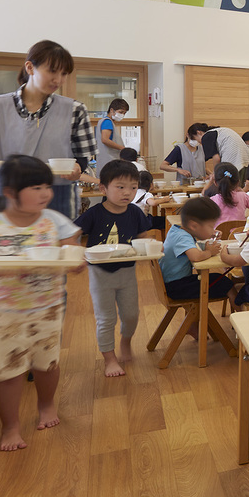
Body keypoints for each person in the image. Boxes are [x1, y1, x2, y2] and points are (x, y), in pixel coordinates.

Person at [0, 155, 85, 451]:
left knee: (47, 365)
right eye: (36, 188)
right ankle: (10, 426)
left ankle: (46, 405)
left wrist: (76, 262)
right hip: (2, 313)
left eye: (47, 187)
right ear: (9, 192)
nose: (45, 193)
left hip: (47, 307)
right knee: (8, 373)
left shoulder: (54, 221)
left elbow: (73, 252)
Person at [0, 40, 97, 220]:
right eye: (52, 71)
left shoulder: (75, 110)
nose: (58, 79)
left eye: (64, 73)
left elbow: (82, 155)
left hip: (56, 194)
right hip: (7, 194)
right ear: (30, 68)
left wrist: (78, 167)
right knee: (3, 237)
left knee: (54, 237)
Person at [75, 159, 158, 378]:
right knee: (106, 318)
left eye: (133, 187)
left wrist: (149, 248)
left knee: (131, 315)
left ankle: (125, 341)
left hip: (127, 272)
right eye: (120, 187)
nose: (127, 193)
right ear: (103, 188)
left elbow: (143, 237)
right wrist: (76, 253)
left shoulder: (135, 212)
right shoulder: (94, 213)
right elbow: (73, 234)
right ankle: (109, 359)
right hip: (100, 273)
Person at [161, 196, 243, 305]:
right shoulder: (182, 237)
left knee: (219, 279)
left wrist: (209, 233)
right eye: (210, 226)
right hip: (177, 287)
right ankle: (239, 313)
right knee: (225, 283)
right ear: (193, 226)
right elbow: (195, 256)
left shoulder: (177, 231)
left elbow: (191, 247)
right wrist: (209, 252)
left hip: (173, 283)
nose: (212, 229)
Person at [96, 98, 129, 172]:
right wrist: (122, 148)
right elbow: (105, 140)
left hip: (106, 160)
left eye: (124, 113)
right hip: (109, 160)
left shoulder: (103, 121)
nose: (122, 115)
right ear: (112, 110)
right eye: (121, 112)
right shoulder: (107, 122)